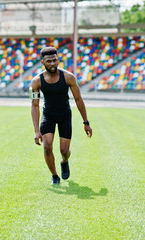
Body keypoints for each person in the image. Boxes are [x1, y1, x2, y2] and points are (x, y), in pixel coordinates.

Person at [30, 46, 92, 185]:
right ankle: (54, 176)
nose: (52, 64)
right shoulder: (36, 81)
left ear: (58, 60)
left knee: (64, 151)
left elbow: (78, 99)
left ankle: (64, 161)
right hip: (48, 115)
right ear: (43, 62)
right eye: (49, 61)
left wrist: (86, 122)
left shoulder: (69, 77)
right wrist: (36, 131)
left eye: (54, 60)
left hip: (64, 115)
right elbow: (34, 105)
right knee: (47, 146)